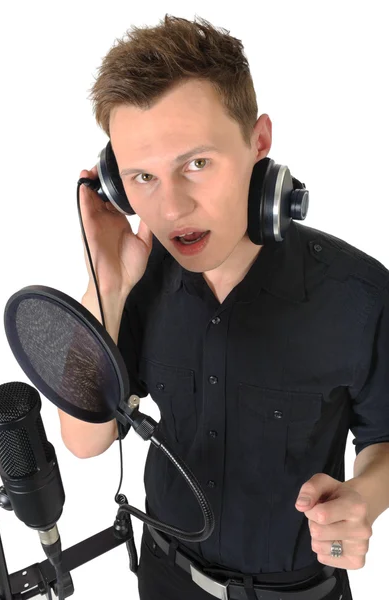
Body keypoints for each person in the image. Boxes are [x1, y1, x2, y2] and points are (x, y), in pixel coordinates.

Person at [59, 14, 389, 600]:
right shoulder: (137, 283)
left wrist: (366, 497)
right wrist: (106, 287)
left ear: (259, 141)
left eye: (197, 164)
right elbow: (86, 440)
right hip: (164, 577)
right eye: (142, 176)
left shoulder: (359, 293)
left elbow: (386, 436)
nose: (171, 207)